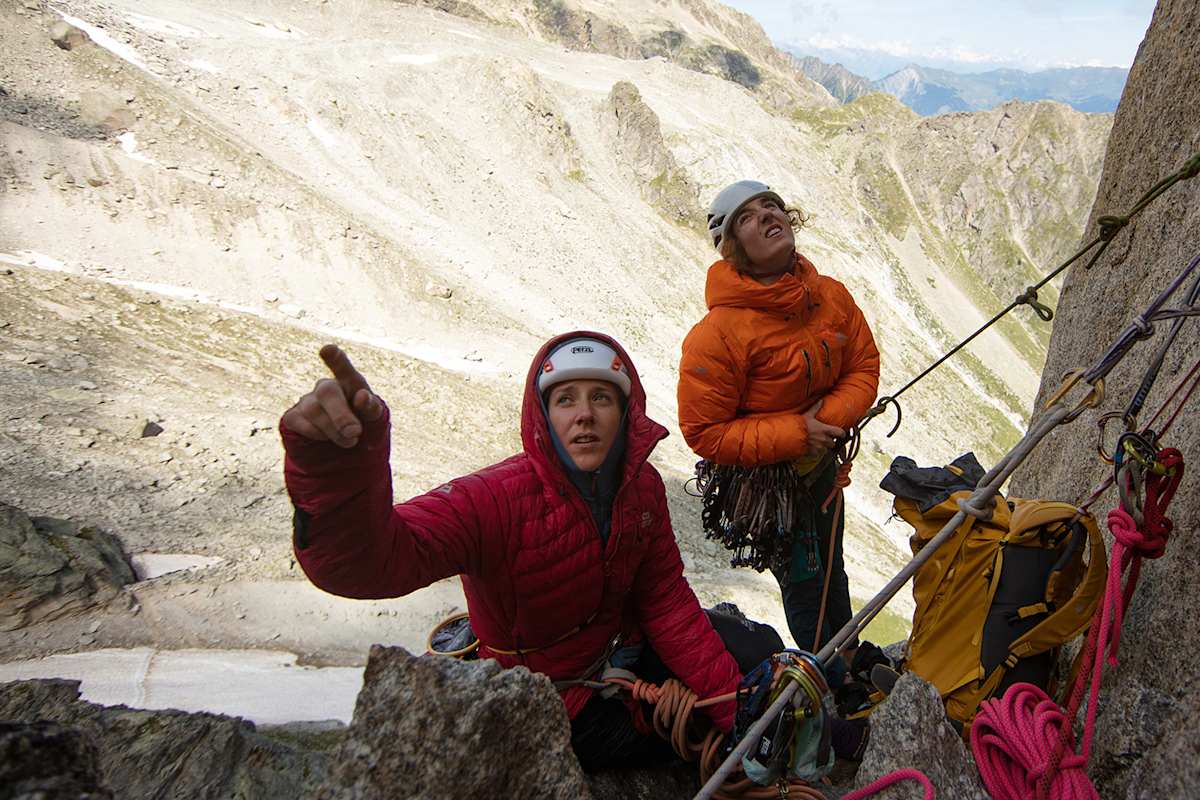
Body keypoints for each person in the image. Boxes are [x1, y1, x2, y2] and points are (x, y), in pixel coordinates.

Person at [278, 331, 784, 771]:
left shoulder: (641, 487)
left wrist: (736, 713)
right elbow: (368, 565)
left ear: (626, 414)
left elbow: (664, 601)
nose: (584, 415)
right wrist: (334, 471)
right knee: (685, 730)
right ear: (543, 415)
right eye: (565, 399)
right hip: (554, 697)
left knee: (761, 649)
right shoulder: (493, 499)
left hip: (617, 652)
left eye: (601, 398)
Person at [677, 180, 881, 688]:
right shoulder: (717, 336)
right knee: (805, 582)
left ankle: (849, 655)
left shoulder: (829, 296)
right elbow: (704, 431)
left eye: (772, 206)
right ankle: (829, 680)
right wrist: (797, 433)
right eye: (747, 217)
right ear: (734, 247)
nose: (768, 216)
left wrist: (825, 421)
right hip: (771, 488)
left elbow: (863, 365)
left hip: (821, 467)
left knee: (830, 564)